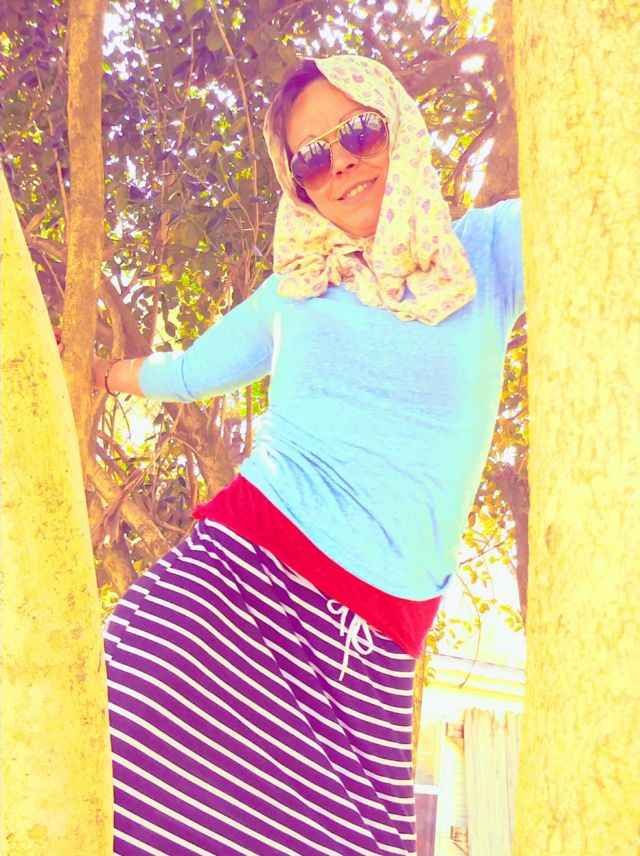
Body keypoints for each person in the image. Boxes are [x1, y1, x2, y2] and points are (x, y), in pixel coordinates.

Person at [85, 54, 523, 856]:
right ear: (300, 186)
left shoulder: (490, 252)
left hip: (372, 655)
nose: (340, 163)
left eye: (359, 132)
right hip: (225, 600)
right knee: (108, 814)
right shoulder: (298, 286)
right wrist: (103, 375)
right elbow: (193, 370)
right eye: (312, 157)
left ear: (400, 123)